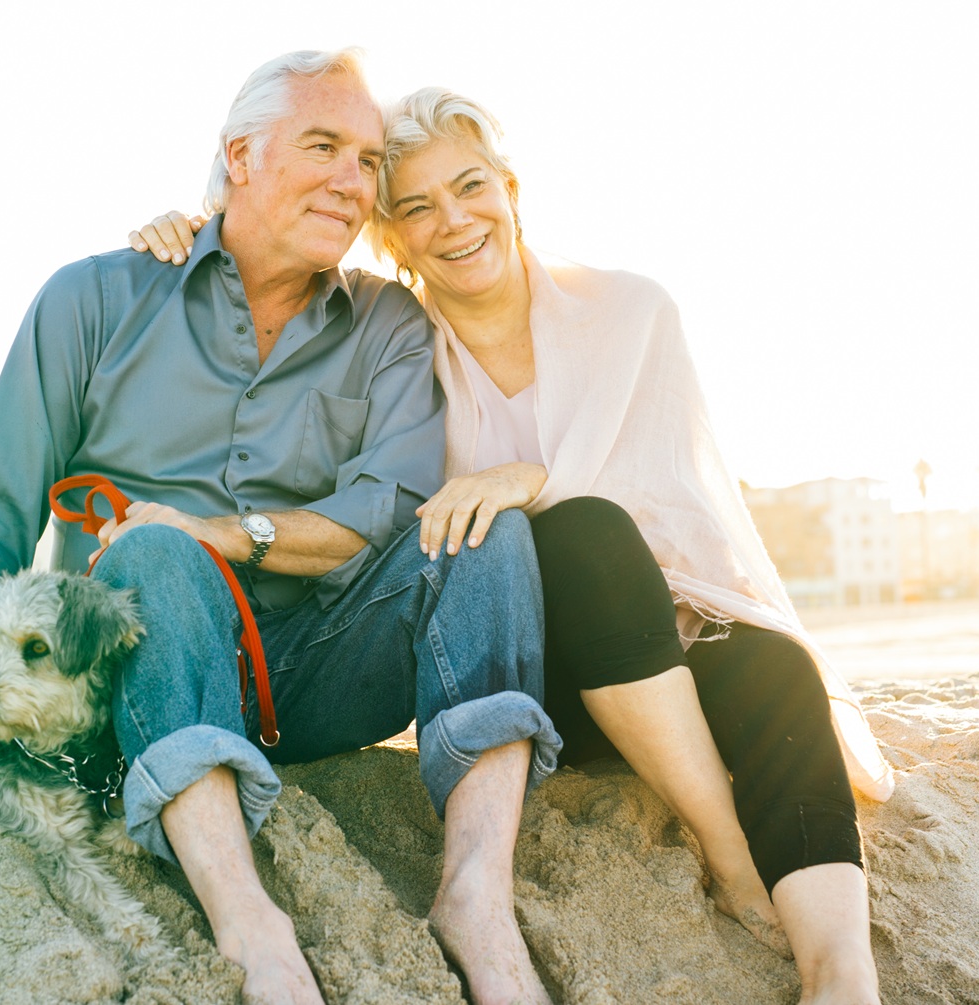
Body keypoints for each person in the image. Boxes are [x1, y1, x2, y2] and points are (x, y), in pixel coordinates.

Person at [134, 87, 897, 1005]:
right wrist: (198, 231)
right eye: (415, 207)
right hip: (537, 675)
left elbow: (668, 503)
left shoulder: (632, 313)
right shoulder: (402, 355)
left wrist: (525, 479)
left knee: (776, 672)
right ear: (392, 240)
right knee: (572, 540)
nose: (452, 221)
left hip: (670, 637)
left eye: (470, 188)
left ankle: (841, 974)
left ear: (512, 189)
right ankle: (733, 857)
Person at [0, 55, 562, 1005]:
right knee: (152, 551)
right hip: (140, 671)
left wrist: (226, 532)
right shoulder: (97, 297)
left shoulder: (387, 323)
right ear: (240, 157)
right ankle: (249, 921)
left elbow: (385, 510)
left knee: (485, 529)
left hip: (316, 669)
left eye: (367, 160)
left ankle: (477, 893)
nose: (355, 181)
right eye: (324, 148)